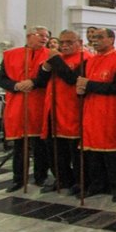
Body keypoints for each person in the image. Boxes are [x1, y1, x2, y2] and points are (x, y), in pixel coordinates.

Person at [0, 26, 52, 191]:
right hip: (18, 103)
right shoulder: (10, 55)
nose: (44, 39)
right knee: (20, 145)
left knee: (40, 144)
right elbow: (2, 79)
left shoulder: (49, 55)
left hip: (39, 103)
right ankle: (18, 178)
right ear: (29, 36)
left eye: (46, 37)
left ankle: (40, 176)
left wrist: (33, 82)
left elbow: (49, 77)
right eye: (40, 35)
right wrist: (16, 85)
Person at [75, 28, 116, 201]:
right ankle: (97, 184)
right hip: (91, 111)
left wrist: (89, 85)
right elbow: (82, 84)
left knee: (112, 153)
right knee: (92, 153)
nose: (95, 40)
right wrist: (80, 89)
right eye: (94, 37)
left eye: (100, 37)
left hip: (110, 112)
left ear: (111, 39)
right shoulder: (89, 60)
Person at [40, 30, 87, 195]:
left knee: (74, 150)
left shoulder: (85, 59)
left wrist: (55, 59)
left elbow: (71, 79)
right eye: (62, 42)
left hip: (72, 110)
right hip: (53, 109)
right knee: (55, 149)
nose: (64, 46)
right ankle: (61, 178)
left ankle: (79, 181)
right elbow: (40, 81)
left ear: (79, 43)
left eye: (69, 42)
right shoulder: (56, 59)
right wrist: (45, 67)